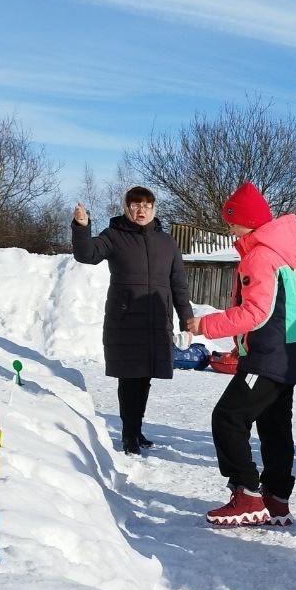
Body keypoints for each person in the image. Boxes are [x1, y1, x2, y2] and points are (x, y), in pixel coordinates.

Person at [188, 182, 296, 527]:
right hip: (287, 354)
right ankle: (276, 498)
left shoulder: (259, 256)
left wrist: (205, 325)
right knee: (274, 427)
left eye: (232, 221)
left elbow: (256, 312)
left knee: (228, 417)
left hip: (270, 355)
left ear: (250, 220)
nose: (229, 228)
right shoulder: (280, 253)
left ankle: (246, 494)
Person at [71, 187, 193, 455]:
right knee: (129, 378)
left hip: (156, 320)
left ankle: (136, 429)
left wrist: (187, 319)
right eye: (136, 205)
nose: (142, 210)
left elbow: (179, 285)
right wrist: (82, 227)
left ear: (154, 209)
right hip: (125, 320)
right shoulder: (114, 236)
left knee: (145, 377)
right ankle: (129, 436)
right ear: (127, 208)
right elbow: (87, 255)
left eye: (147, 206)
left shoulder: (167, 243)